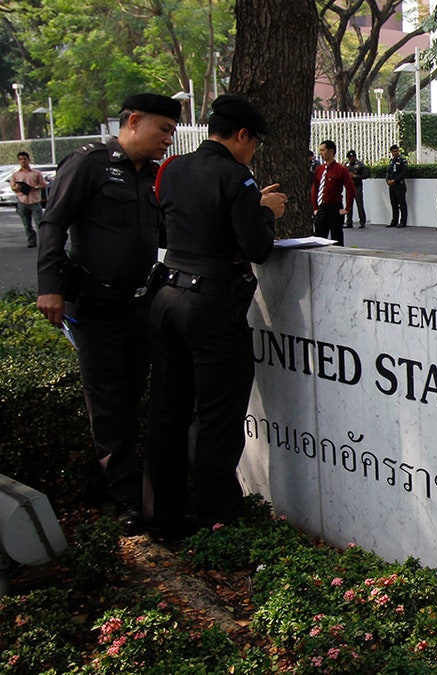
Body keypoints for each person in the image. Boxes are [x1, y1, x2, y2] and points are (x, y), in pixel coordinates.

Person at [36, 93, 181, 531]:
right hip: (95, 303)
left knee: (131, 394)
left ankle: (100, 482)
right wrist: (50, 288)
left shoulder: (152, 177)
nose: (168, 140)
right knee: (108, 403)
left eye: (173, 132)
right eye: (163, 130)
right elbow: (53, 223)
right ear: (134, 121)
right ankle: (126, 498)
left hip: (138, 303)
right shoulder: (89, 163)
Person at [146, 93, 287, 536]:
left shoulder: (173, 168)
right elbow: (257, 249)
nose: (254, 151)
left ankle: (162, 518)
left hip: (167, 296)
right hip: (211, 307)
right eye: (255, 143)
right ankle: (217, 521)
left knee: (167, 413)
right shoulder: (237, 177)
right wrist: (264, 212)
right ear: (241, 135)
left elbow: (173, 227)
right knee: (218, 419)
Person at [311, 140, 354, 246]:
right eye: (319, 151)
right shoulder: (319, 169)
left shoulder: (341, 169)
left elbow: (350, 188)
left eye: (323, 150)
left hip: (335, 207)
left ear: (331, 151)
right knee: (319, 237)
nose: (320, 153)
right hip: (322, 207)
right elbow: (315, 189)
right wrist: (315, 208)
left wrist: (347, 208)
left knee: (336, 237)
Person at [10, 151, 48, 248]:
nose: (23, 161)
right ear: (18, 161)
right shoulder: (16, 175)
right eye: (21, 159)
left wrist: (35, 187)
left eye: (25, 159)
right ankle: (31, 241)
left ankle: (44, 242)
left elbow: (43, 184)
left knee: (39, 223)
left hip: (35, 201)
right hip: (22, 201)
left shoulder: (36, 173)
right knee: (27, 224)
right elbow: (13, 187)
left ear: (29, 160)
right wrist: (17, 188)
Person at [344, 150, 370, 228]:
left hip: (357, 186)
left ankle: (362, 222)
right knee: (349, 205)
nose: (351, 159)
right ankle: (349, 222)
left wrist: (356, 176)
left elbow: (365, 175)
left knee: (359, 204)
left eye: (352, 157)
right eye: (349, 158)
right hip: (349, 187)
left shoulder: (360, 165)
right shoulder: (346, 165)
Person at [385, 144, 408, 228]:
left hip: (399, 185)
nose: (395, 153)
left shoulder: (402, 160)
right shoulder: (391, 161)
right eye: (393, 151)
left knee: (402, 204)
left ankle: (403, 222)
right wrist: (387, 180)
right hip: (392, 186)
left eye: (396, 151)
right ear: (391, 152)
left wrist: (395, 180)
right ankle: (394, 221)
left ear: (398, 151)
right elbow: (388, 172)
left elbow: (404, 172)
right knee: (394, 204)